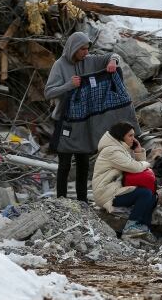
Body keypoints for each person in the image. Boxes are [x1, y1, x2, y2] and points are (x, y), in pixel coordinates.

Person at [44, 31, 120, 202]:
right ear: (73, 49)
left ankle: (82, 202)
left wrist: (113, 62)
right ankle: (61, 200)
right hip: (65, 120)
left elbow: (112, 55)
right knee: (64, 163)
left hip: (85, 120)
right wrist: (69, 85)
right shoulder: (59, 65)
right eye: (82, 49)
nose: (86, 52)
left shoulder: (88, 61)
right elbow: (48, 92)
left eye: (87, 49)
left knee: (83, 163)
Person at [92, 121, 157, 238]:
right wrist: (147, 163)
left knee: (152, 195)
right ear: (121, 136)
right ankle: (130, 228)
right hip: (106, 193)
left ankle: (144, 228)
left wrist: (138, 152)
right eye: (130, 135)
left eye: (134, 135)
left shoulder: (120, 148)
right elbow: (135, 167)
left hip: (115, 189)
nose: (133, 138)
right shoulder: (112, 151)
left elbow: (135, 168)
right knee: (144, 193)